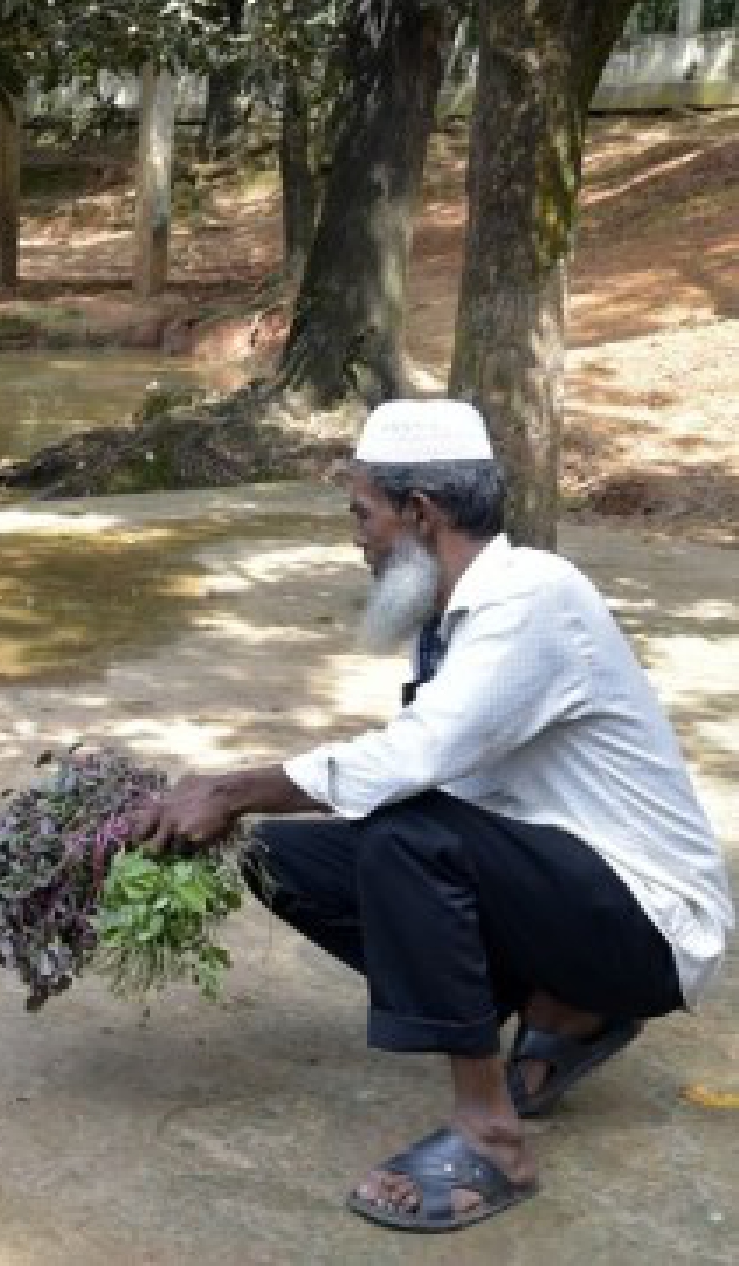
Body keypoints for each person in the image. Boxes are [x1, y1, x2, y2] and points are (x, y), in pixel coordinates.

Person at [130, 398, 733, 1233]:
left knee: (406, 836)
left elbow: (412, 762)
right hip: (567, 891)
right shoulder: (450, 615)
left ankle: (492, 1137)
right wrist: (232, 814)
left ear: (420, 513)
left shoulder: (533, 599)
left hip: (649, 927)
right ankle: (565, 1011)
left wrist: (227, 788)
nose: (357, 536)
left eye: (362, 513)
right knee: (277, 857)